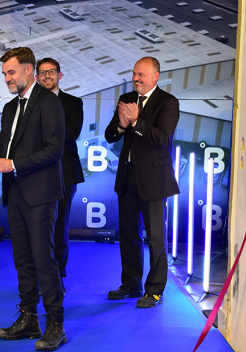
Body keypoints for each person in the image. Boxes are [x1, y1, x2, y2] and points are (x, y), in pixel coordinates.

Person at [0, 47, 67, 351]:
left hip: (42, 193)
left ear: (29, 70)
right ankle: (29, 318)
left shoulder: (49, 103)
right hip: (16, 191)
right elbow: (9, 146)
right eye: (5, 73)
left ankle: (56, 324)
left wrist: (14, 165)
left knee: (44, 259)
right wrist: (0, 163)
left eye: (11, 72)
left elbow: (54, 150)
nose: (7, 78)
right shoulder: (10, 108)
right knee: (22, 259)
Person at [104, 57, 180, 308]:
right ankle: (131, 284)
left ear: (156, 76)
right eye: (134, 73)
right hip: (127, 178)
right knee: (128, 235)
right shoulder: (126, 98)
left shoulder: (168, 102)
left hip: (154, 181)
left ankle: (155, 290)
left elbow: (161, 138)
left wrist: (136, 121)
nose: (136, 78)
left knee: (156, 238)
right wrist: (122, 126)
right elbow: (109, 134)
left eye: (142, 75)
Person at [35, 58, 84, 295]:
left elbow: (72, 133)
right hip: (35, 173)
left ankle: (57, 277)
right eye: (42, 73)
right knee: (38, 228)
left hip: (65, 173)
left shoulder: (73, 102)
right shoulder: (30, 102)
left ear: (60, 75)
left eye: (51, 72)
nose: (47, 77)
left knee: (60, 228)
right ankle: (37, 276)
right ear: (36, 77)